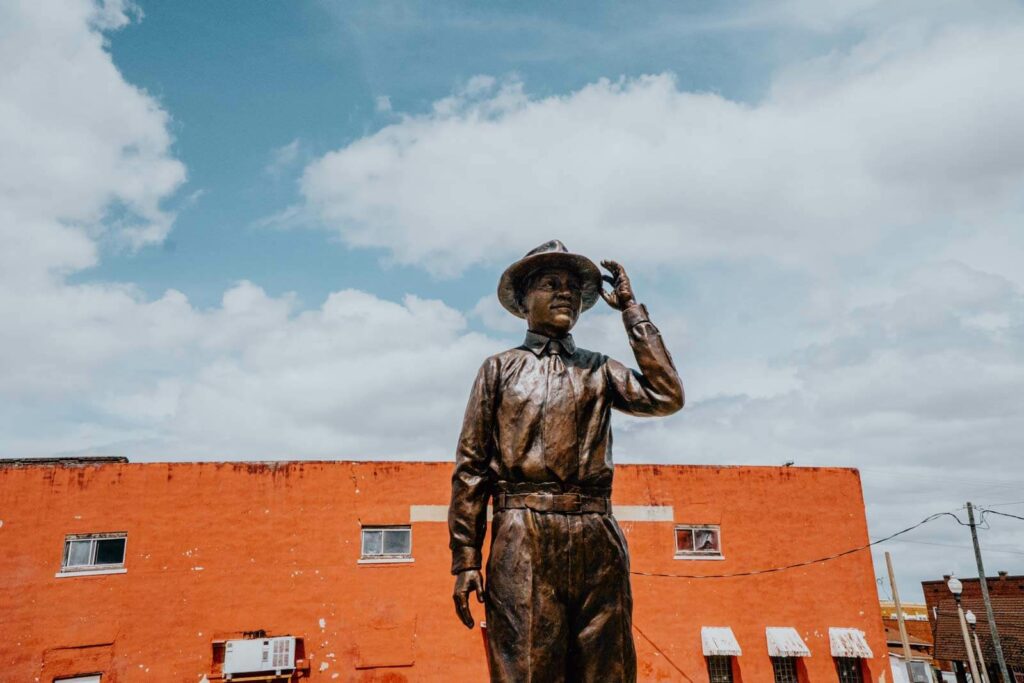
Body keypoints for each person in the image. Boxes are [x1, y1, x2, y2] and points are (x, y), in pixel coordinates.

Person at [449, 240, 684, 683]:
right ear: (523, 301)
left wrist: (633, 313)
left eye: (573, 288)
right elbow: (471, 469)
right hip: (523, 534)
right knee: (528, 669)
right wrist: (465, 559)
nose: (565, 294)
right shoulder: (499, 370)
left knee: (608, 668)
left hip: (597, 535)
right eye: (550, 284)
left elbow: (666, 395)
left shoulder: (599, 369)